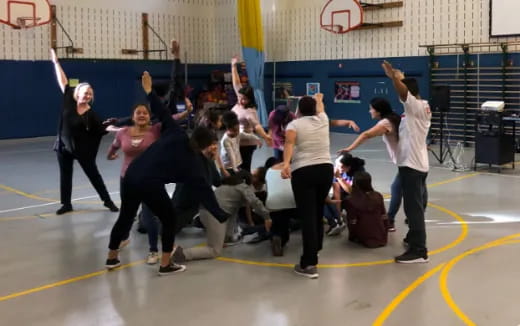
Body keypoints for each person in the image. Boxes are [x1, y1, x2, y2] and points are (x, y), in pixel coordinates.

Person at [105, 71, 229, 276]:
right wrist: (220, 214)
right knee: (169, 218)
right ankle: (165, 264)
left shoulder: (175, 131)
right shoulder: (194, 165)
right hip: (150, 183)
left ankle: (111, 257)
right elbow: (205, 192)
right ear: (206, 146)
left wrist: (149, 91)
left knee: (125, 217)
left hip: (131, 175)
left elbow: (161, 111)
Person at [107, 100, 193, 264]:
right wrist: (111, 155)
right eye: (138, 112)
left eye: (145, 113)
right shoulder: (123, 132)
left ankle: (153, 251)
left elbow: (170, 119)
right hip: (128, 180)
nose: (141, 115)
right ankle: (112, 255)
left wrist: (186, 112)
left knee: (148, 214)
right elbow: (114, 146)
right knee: (126, 216)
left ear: (149, 117)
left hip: (150, 180)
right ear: (132, 116)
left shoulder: (156, 130)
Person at [50, 49, 118, 215]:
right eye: (85, 92)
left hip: (83, 151)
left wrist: (119, 129)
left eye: (90, 94)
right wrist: (56, 63)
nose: (87, 95)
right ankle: (66, 204)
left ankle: (107, 201)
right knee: (65, 176)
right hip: (63, 148)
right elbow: (63, 81)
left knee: (94, 175)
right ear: (78, 93)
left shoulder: (92, 114)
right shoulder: (68, 101)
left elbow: (103, 128)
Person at [381, 60, 431, 263]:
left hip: (412, 165)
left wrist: (394, 76)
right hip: (414, 163)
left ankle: (419, 250)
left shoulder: (415, 106)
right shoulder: (419, 107)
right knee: (414, 206)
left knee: (413, 209)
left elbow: (403, 93)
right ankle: (413, 238)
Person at [282, 93, 333, 279]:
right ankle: (316, 247)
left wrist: (286, 164)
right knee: (318, 211)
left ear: (299, 110)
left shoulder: (294, 125)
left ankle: (309, 263)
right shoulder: (323, 119)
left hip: (304, 172)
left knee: (307, 216)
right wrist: (319, 98)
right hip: (325, 170)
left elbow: (289, 143)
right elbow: (321, 108)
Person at [171, 171, 271, 263]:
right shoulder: (242, 187)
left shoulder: (227, 185)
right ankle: (181, 254)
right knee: (214, 250)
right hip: (213, 215)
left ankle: (219, 240)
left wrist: (228, 237)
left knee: (219, 242)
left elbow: (232, 213)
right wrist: (267, 217)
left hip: (205, 212)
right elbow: (255, 202)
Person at [338, 97, 402, 231]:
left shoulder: (386, 123)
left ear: (378, 111)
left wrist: (349, 148)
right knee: (417, 187)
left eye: (371, 108)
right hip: (409, 160)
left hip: (406, 162)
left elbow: (366, 134)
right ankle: (414, 214)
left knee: (396, 189)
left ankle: (390, 220)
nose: (369, 111)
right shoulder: (394, 118)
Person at [230, 55, 272, 171]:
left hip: (246, 143)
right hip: (236, 140)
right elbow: (236, 84)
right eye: (240, 97)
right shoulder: (240, 101)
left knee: (244, 168)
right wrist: (233, 66)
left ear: (250, 99)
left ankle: (246, 187)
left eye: (244, 99)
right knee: (236, 167)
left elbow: (257, 126)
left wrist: (265, 136)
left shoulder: (250, 111)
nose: (241, 100)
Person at [343, 171, 388, 248]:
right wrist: (385, 231)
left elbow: (352, 221)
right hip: (381, 236)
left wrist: (352, 236)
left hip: (364, 237)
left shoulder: (351, 200)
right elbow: (384, 216)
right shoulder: (378, 195)